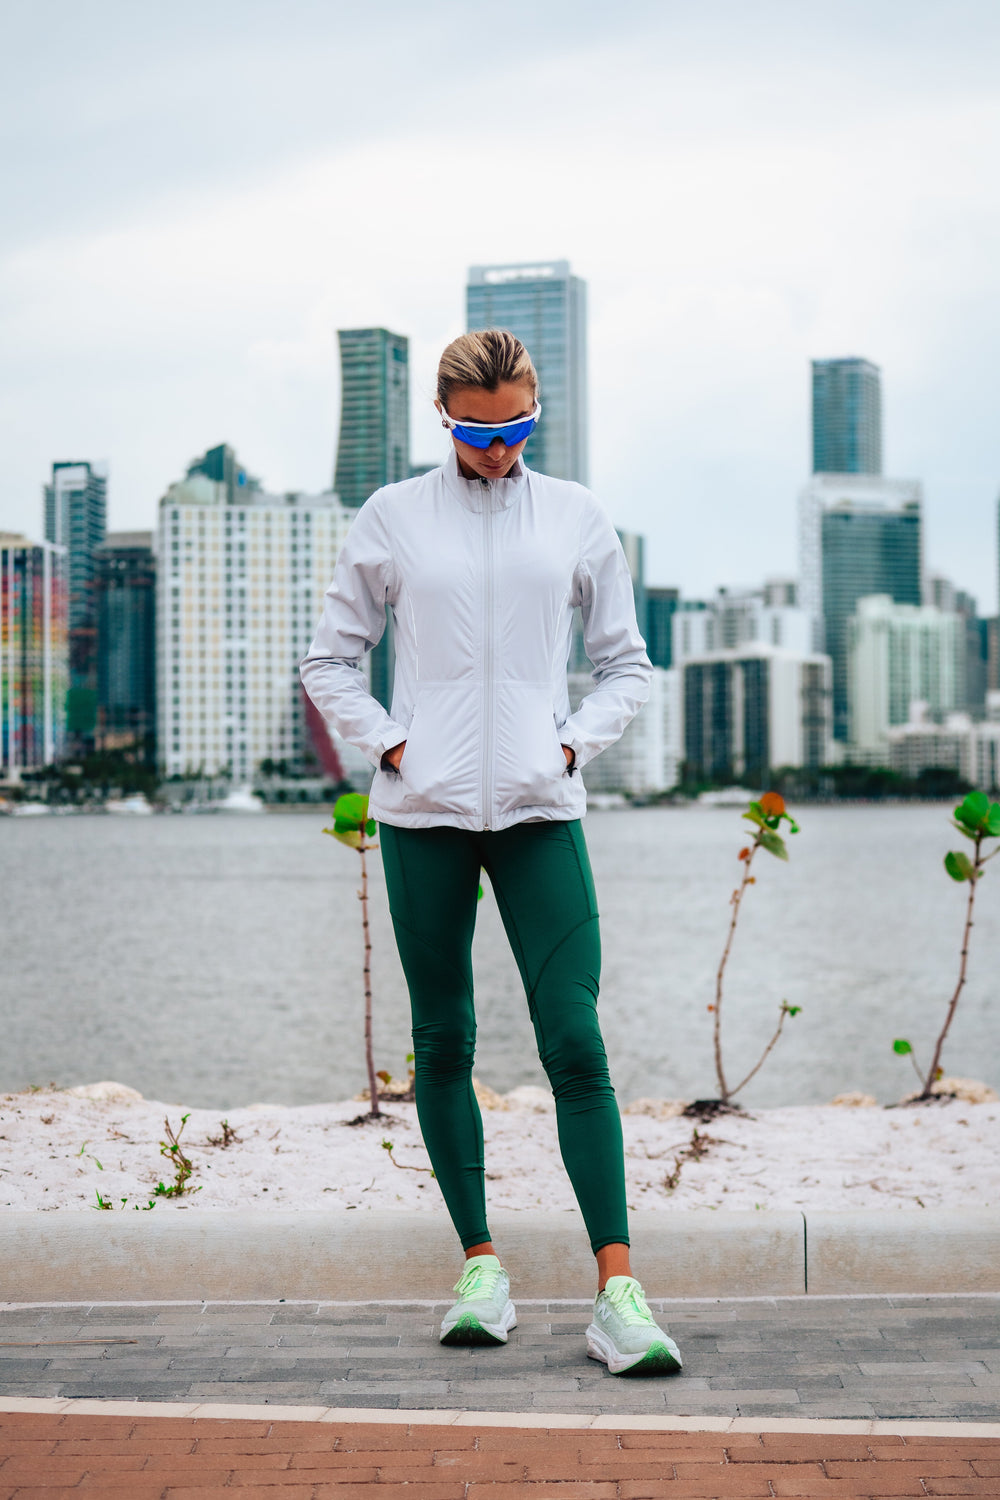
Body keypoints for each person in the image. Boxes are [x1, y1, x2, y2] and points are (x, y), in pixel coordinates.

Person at [301, 329, 682, 1377]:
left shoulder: (573, 515)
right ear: (446, 421)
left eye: (519, 428)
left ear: (534, 415)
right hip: (421, 816)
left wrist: (566, 741)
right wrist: (390, 743)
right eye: (482, 433)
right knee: (445, 1041)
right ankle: (481, 1268)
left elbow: (626, 666)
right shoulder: (392, 518)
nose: (502, 450)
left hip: (536, 808)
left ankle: (618, 1293)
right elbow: (331, 659)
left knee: (575, 1041)